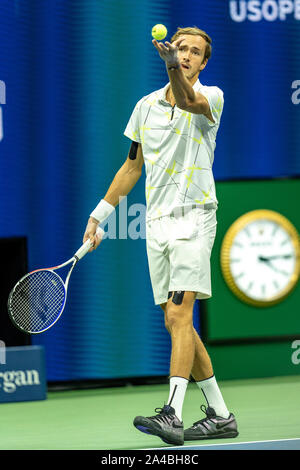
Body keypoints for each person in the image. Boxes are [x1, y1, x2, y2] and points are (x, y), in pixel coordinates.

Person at [83, 26, 238, 446]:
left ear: (204, 63)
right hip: (158, 222)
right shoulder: (145, 107)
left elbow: (187, 98)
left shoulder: (212, 97)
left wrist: (171, 67)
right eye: (180, 49)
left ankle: (172, 413)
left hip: (195, 217)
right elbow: (132, 167)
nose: (186, 55)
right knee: (175, 321)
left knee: (181, 315)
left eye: (194, 53)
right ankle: (221, 415)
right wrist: (100, 216)